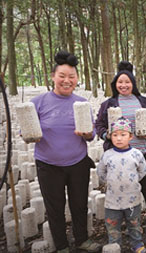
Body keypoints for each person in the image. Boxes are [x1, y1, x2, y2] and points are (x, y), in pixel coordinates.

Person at [31, 50, 100, 252]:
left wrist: (87, 134)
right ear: (53, 76)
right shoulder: (38, 103)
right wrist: (29, 136)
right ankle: (61, 245)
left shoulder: (82, 103)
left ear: (77, 79)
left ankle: (82, 240)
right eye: (62, 76)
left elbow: (92, 134)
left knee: (79, 205)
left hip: (78, 163)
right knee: (55, 207)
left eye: (71, 77)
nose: (66, 80)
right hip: (48, 165)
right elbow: (26, 131)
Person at [95, 61, 146, 233]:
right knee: (120, 188)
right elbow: (99, 125)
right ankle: (125, 220)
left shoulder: (143, 101)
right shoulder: (109, 104)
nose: (123, 85)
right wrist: (107, 135)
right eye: (120, 82)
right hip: (117, 155)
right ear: (115, 84)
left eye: (127, 82)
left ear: (133, 84)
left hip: (141, 151)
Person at [97, 117, 146, 253]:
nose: (119, 138)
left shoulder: (136, 154)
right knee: (112, 225)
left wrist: (132, 181)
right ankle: (114, 245)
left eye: (123, 135)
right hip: (112, 200)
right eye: (115, 135)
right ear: (110, 137)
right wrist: (111, 182)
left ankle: (136, 243)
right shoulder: (107, 155)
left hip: (132, 200)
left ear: (130, 136)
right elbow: (101, 172)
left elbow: (143, 171)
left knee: (134, 223)